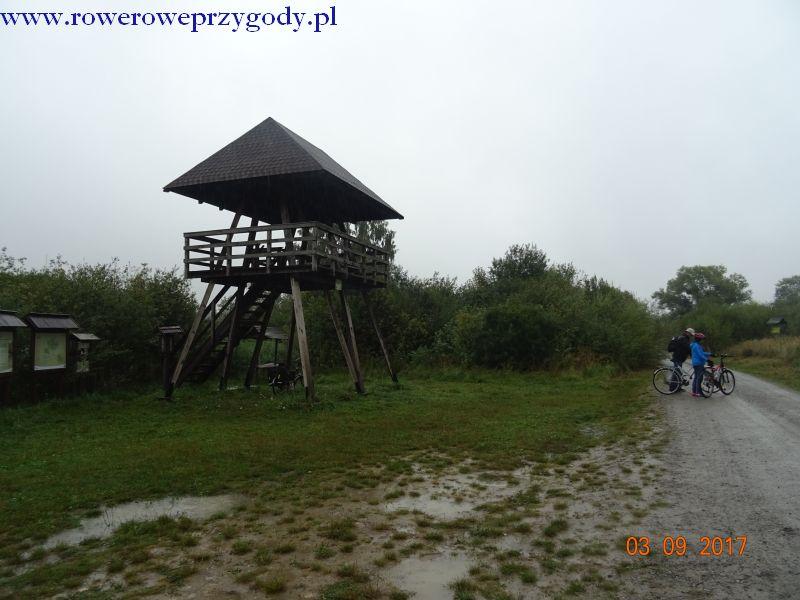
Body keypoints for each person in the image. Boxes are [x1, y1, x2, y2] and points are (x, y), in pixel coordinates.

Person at [690, 332, 712, 397]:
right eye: (701, 339)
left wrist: (709, 354)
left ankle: (694, 392)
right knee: (698, 378)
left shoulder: (695, 345)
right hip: (698, 363)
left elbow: (702, 352)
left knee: (696, 377)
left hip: (696, 363)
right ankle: (697, 393)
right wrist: (707, 359)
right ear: (699, 339)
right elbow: (700, 355)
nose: (702, 340)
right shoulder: (696, 346)